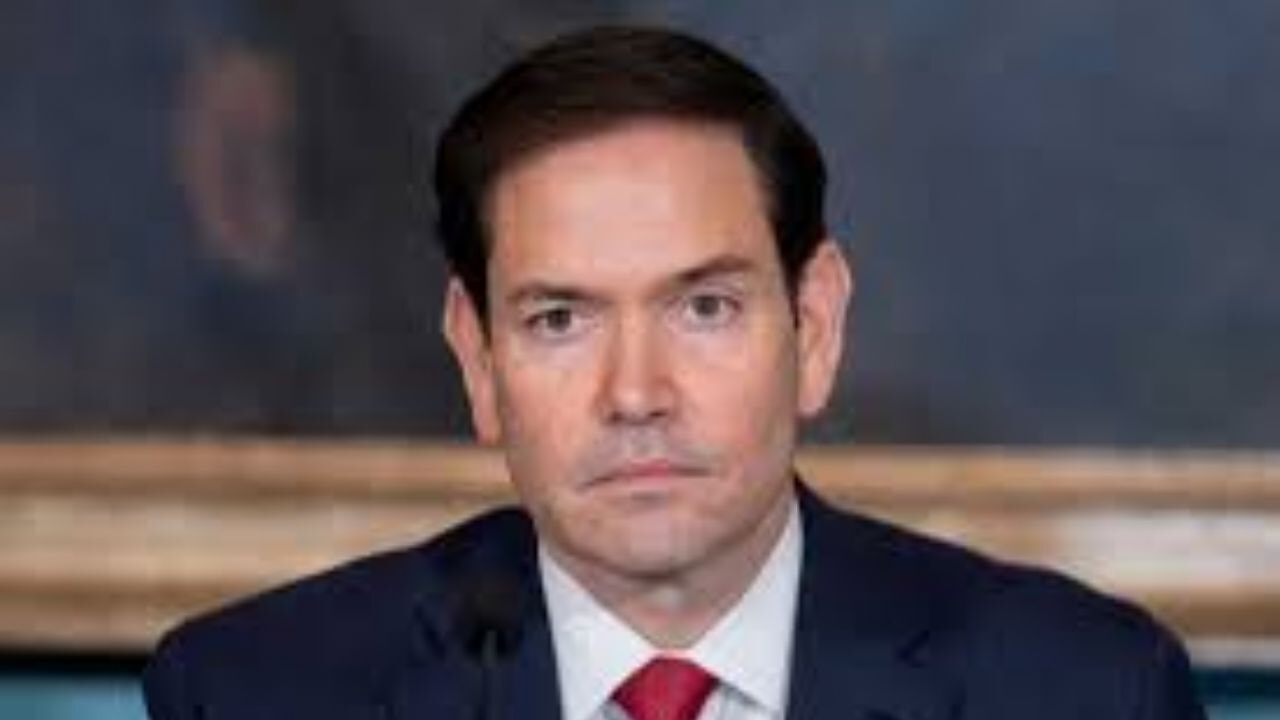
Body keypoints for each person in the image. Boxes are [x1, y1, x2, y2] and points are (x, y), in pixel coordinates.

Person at [143, 26, 1206, 720]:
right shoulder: (256, 694)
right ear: (477, 356)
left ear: (813, 325)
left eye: (704, 308)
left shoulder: (1083, 692)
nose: (636, 394)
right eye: (560, 319)